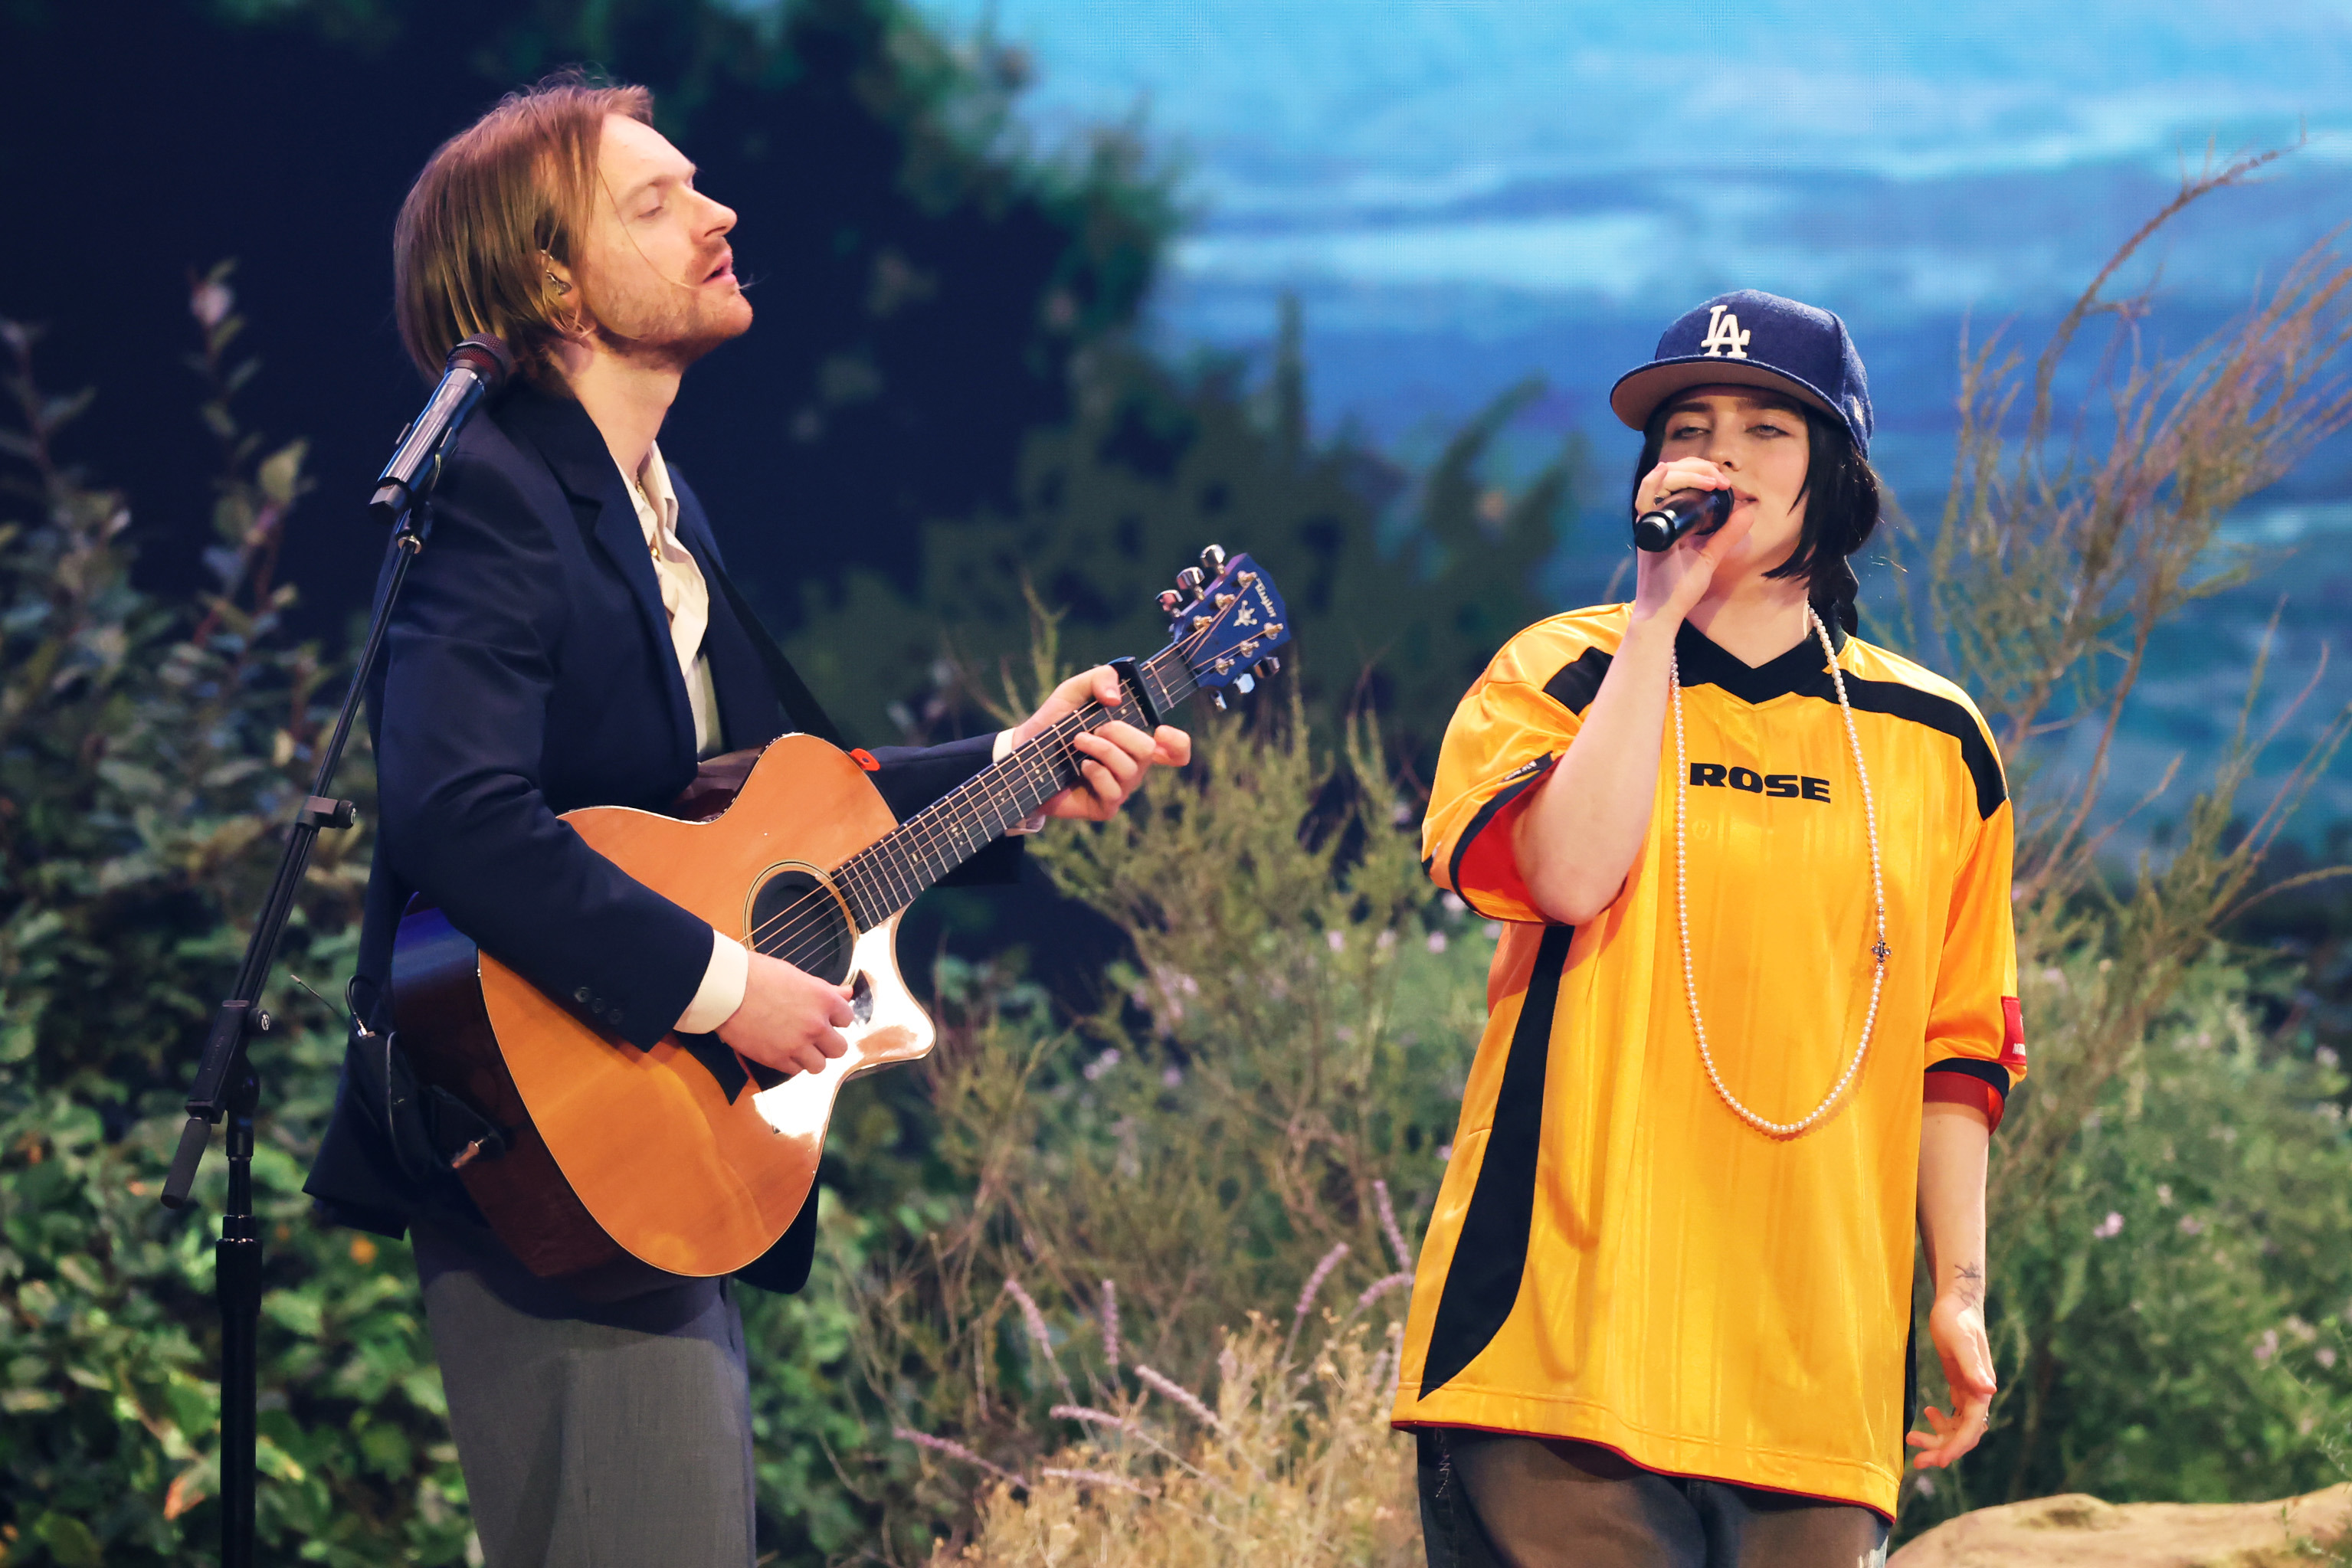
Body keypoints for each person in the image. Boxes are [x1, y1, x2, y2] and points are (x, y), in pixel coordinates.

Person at [301, 74, 1188, 1566]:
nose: (717, 217)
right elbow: (457, 818)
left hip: (641, 1146)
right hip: (551, 1131)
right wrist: (728, 989)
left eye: (698, 185)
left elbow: (762, 802)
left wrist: (1013, 759)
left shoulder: (650, 499)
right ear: (548, 282)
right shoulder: (498, 492)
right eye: (656, 203)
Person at [1393, 290, 2023, 1567]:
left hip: (1815, 1387)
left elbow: (1957, 1049)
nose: (1716, 455)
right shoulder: (1557, 675)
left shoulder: (1936, 740)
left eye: (1762, 430)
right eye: (1687, 425)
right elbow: (1564, 874)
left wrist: (1954, 1291)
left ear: (1834, 480)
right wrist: (1653, 618)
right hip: (1557, 1361)